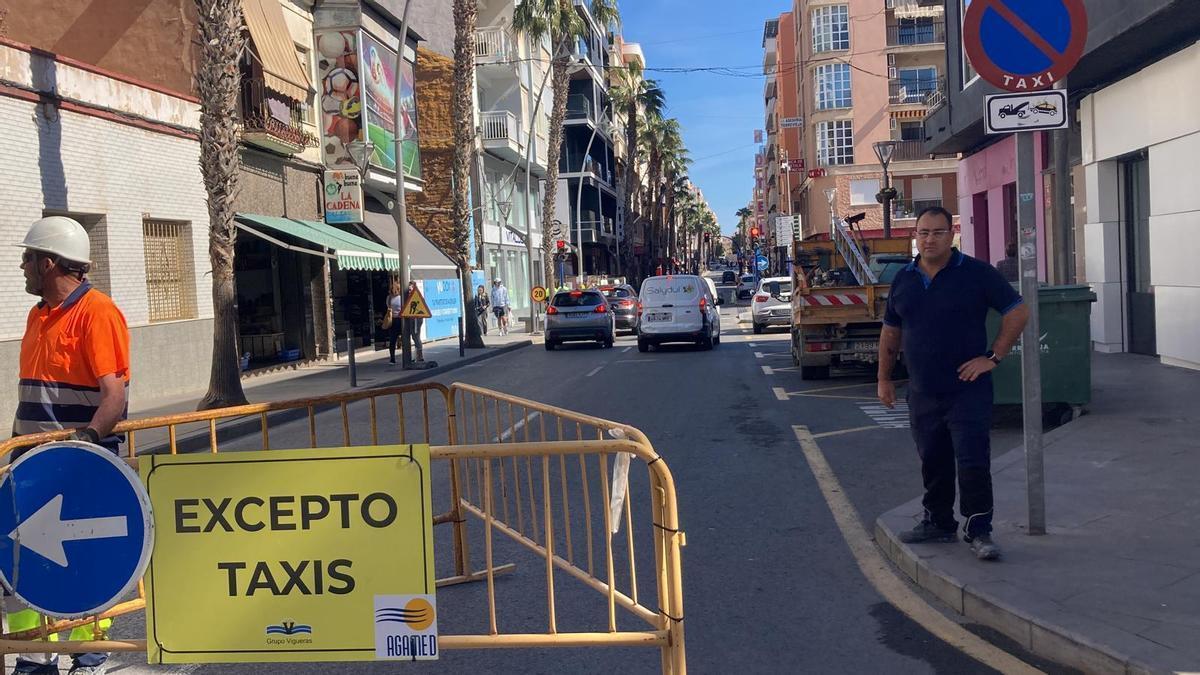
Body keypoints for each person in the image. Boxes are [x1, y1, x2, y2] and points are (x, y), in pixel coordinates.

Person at [10, 216, 131, 675]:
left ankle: (89, 656)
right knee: (21, 560)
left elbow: (113, 395)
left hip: (79, 466)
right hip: (32, 465)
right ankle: (31, 655)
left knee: (78, 565)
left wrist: (85, 445)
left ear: (48, 263)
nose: (21, 265)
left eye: (27, 258)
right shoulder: (37, 315)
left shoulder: (97, 312)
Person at [877, 206, 1029, 561]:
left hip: (967, 389)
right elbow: (891, 330)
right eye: (923, 232)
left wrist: (992, 358)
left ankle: (979, 530)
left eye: (937, 232)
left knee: (972, 460)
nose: (929, 239)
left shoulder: (976, 273)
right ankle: (938, 522)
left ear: (951, 234)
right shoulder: (905, 278)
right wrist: (884, 378)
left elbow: (1018, 311)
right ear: (915, 235)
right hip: (923, 390)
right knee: (933, 459)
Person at [403, 281, 424, 362]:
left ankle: (420, 356)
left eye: (410, 289)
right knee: (414, 337)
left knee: (416, 337)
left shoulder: (417, 296)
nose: (409, 291)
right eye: (408, 289)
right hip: (412, 319)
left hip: (416, 319)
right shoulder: (409, 296)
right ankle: (417, 356)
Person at [385, 280, 404, 364]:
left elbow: (388, 307)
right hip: (401, 320)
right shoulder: (402, 297)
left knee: (392, 340)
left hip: (392, 320)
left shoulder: (389, 298)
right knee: (405, 339)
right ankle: (407, 357)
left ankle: (392, 358)